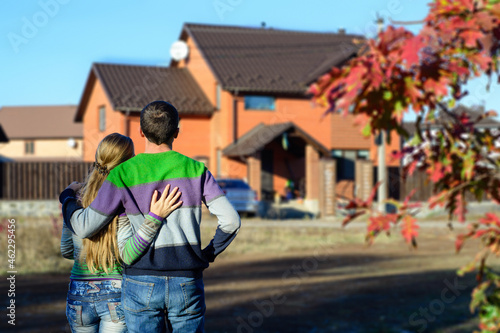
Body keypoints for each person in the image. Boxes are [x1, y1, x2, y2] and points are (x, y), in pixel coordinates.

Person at [60, 101, 241, 333]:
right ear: (176, 132)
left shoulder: (122, 174)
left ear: (141, 132)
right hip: (187, 279)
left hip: (139, 281)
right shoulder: (197, 170)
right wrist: (207, 254)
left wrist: (67, 198)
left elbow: (84, 227)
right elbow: (231, 221)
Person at [60, 133, 182, 333]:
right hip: (115, 295)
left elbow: (66, 250)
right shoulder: (125, 202)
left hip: (79, 296)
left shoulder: (75, 203)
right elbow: (129, 254)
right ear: (126, 162)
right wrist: (154, 219)